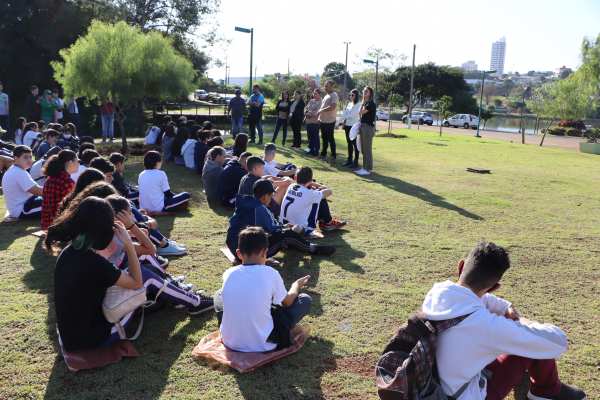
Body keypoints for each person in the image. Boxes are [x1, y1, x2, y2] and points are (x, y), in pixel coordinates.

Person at [421, 242, 586, 400]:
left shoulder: (437, 293)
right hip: (460, 395)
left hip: (424, 387)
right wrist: (523, 322)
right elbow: (558, 341)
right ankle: (546, 391)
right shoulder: (487, 326)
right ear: (494, 287)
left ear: (461, 266)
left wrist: (506, 306)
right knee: (531, 342)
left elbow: (476, 299)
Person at [47, 197, 214, 352]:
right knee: (146, 276)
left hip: (71, 336)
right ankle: (195, 302)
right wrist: (127, 241)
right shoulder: (95, 261)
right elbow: (137, 282)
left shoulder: (69, 252)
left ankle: (184, 296)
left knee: (142, 272)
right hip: (97, 337)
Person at [215, 226, 313, 352]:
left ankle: (233, 329)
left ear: (239, 253)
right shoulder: (271, 273)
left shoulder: (228, 273)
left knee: (218, 294)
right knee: (305, 299)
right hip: (265, 342)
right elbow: (288, 302)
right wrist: (296, 285)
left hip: (230, 341)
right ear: (264, 252)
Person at [226, 179, 337, 263]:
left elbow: (269, 225)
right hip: (246, 254)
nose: (271, 198)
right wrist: (289, 229)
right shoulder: (259, 209)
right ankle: (313, 248)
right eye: (271, 195)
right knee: (288, 235)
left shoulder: (249, 203)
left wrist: (284, 226)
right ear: (265, 196)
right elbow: (274, 230)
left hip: (235, 246)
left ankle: (296, 239)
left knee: (291, 232)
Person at [280, 166, 346, 233]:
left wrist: (309, 184)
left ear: (295, 178)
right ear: (311, 180)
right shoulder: (309, 194)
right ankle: (328, 222)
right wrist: (312, 183)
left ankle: (325, 222)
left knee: (317, 195)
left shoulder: (291, 186)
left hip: (284, 226)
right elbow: (329, 191)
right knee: (320, 196)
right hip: (300, 230)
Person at [2, 145, 44, 219]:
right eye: (25, 157)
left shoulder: (17, 170)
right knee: (57, 200)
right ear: (16, 159)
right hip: (23, 209)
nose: (30, 160)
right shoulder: (18, 172)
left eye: (30, 157)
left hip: (25, 205)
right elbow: (37, 191)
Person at [40, 149, 78, 230]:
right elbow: (75, 204)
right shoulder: (66, 181)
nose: (79, 163)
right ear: (70, 162)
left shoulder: (50, 178)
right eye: (78, 160)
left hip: (47, 224)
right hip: (60, 224)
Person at [315, 81, 339, 163]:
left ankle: (333, 156)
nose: (325, 88)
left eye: (327, 86)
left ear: (332, 86)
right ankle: (323, 155)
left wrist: (320, 111)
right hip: (323, 121)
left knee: (330, 139)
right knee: (324, 139)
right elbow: (322, 108)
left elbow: (333, 106)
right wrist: (319, 118)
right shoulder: (326, 96)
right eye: (325, 86)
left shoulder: (334, 95)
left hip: (330, 121)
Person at [337, 89, 361, 167]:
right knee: (349, 144)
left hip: (354, 127)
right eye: (350, 95)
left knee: (355, 144)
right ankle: (349, 160)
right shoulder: (350, 104)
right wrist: (337, 123)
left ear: (356, 96)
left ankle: (356, 162)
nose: (351, 97)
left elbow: (352, 116)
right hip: (347, 126)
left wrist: (345, 118)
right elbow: (344, 115)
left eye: (353, 95)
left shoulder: (358, 105)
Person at [356, 86, 376, 176]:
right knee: (363, 149)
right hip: (363, 126)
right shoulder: (366, 104)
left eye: (366, 91)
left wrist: (363, 104)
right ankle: (364, 167)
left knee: (367, 150)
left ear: (370, 93)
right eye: (364, 91)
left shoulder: (371, 104)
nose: (364, 92)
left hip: (368, 127)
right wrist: (362, 103)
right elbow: (360, 113)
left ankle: (367, 169)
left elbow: (360, 113)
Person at [304, 88, 322, 156]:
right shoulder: (311, 100)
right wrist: (306, 113)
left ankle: (316, 150)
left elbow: (317, 111)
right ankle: (311, 149)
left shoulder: (320, 101)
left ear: (320, 94)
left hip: (315, 122)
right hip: (308, 121)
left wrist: (308, 114)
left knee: (315, 137)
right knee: (310, 137)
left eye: (316, 94)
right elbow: (306, 108)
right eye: (314, 93)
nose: (314, 95)